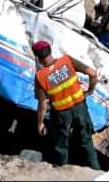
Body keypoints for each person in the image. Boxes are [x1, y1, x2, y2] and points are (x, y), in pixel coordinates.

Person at [32, 40, 100, 169]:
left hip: (61, 114)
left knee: (61, 144)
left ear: (37, 57)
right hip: (80, 107)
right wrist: (90, 90)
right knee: (86, 141)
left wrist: (40, 123)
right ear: (50, 51)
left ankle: (62, 171)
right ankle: (97, 170)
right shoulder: (67, 60)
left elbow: (43, 104)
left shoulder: (41, 76)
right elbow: (93, 73)